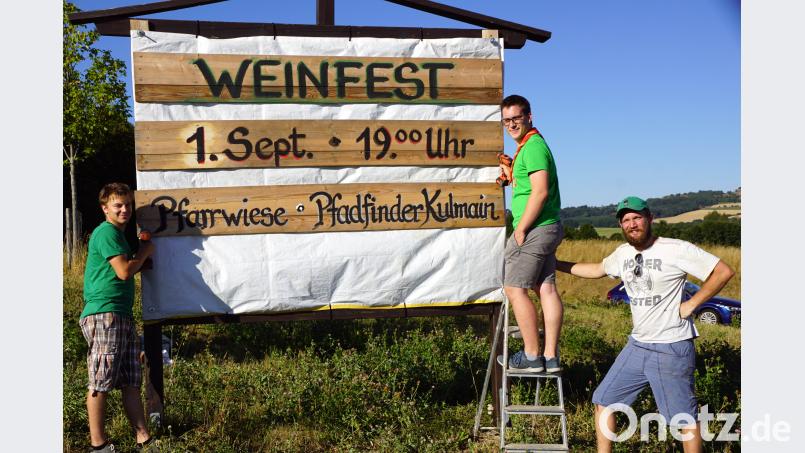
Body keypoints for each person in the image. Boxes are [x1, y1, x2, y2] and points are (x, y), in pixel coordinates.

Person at [556, 196, 735, 452]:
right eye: (626, 220)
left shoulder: (676, 248)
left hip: (671, 346)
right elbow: (596, 269)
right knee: (604, 400)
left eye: (637, 217)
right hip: (637, 345)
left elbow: (723, 272)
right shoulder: (623, 253)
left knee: (683, 418)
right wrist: (554, 264)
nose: (632, 224)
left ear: (650, 218)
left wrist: (692, 304)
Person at [80, 183, 157, 452]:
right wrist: (145, 252)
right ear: (105, 208)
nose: (125, 209)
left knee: (129, 379)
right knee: (101, 379)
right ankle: (98, 445)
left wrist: (140, 254)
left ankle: (143, 439)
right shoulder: (107, 232)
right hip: (104, 313)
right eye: (118, 205)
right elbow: (124, 271)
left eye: (128, 205)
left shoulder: (119, 236)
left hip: (120, 313)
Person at [496, 94, 565, 373]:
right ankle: (550, 356)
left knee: (514, 288)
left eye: (516, 118)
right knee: (545, 288)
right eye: (507, 120)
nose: (512, 124)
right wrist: (510, 174)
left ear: (529, 117)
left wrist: (521, 228)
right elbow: (528, 186)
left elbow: (540, 191)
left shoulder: (534, 147)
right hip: (548, 225)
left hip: (535, 227)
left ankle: (532, 355)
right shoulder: (528, 147)